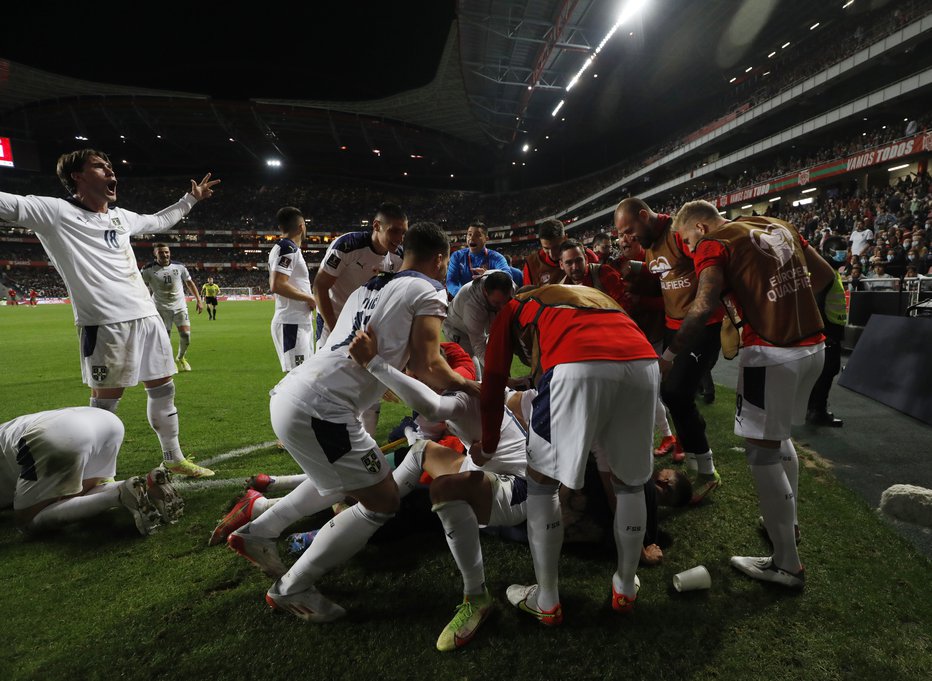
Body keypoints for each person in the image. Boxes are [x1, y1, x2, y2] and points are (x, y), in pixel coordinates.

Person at [227, 222, 475, 622]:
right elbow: (430, 366)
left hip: (296, 393)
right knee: (382, 500)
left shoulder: (367, 287)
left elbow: (396, 357)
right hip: (324, 410)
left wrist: (390, 375)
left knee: (341, 479)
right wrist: (476, 389)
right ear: (441, 258)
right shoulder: (429, 290)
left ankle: (259, 531)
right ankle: (293, 587)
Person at [0, 149, 219, 477]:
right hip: (105, 324)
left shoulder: (120, 217)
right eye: (100, 166)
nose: (110, 171)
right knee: (105, 403)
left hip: (147, 316)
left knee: (163, 388)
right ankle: (95, 475)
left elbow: (158, 221)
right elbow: (9, 204)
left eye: (110, 166)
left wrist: (190, 199)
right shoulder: (55, 211)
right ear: (78, 176)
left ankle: (173, 457)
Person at [667, 200, 835, 588]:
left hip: (772, 352)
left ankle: (786, 565)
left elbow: (704, 303)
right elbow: (824, 275)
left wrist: (671, 354)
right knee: (780, 438)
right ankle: (786, 526)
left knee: (762, 451)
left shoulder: (715, 243)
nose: (690, 250)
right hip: (814, 346)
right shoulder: (775, 222)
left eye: (689, 241)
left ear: (701, 228)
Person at [479, 284, 659, 622]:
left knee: (541, 484)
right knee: (630, 483)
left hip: (576, 365)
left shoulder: (515, 307)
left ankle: (547, 600)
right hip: (644, 362)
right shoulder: (592, 294)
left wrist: (488, 443)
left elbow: (492, 380)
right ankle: (625, 587)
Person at [348, 330, 527, 651]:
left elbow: (433, 409)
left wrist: (374, 364)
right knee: (419, 453)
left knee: (446, 490)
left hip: (521, 488)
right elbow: (423, 432)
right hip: (487, 472)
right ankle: (361, 515)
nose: (409, 374)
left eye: (413, 368)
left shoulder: (461, 393)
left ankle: (476, 596)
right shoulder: (453, 391)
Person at [614, 197, 722, 502]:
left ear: (644, 216)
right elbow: (662, 276)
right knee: (675, 395)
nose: (628, 237)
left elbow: (704, 271)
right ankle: (695, 461)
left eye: (629, 229)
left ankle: (707, 470)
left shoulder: (679, 233)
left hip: (701, 326)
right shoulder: (649, 244)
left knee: (676, 393)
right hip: (674, 326)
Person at [0, 407, 183, 535]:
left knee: (26, 521)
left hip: (56, 436)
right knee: (83, 491)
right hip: (105, 421)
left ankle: (118, 496)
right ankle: (148, 485)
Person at [312, 203, 407, 435]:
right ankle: (320, 432)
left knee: (368, 381)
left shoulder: (398, 256)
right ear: (376, 226)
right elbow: (320, 287)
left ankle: (368, 440)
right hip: (332, 322)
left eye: (404, 232)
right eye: (394, 231)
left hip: (365, 325)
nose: (400, 238)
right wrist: (336, 331)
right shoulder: (348, 245)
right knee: (327, 379)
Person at [140, 243, 203, 372]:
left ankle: (181, 358)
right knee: (165, 338)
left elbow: (189, 283)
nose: (165, 254)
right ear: (155, 254)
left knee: (186, 335)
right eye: (161, 252)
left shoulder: (179, 266)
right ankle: (168, 362)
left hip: (180, 306)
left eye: (166, 252)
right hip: (161, 308)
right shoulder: (147, 269)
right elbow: (142, 287)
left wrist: (199, 300)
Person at [442, 270, 516, 377]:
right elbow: (479, 346)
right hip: (458, 330)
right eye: (497, 303)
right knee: (473, 372)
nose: (503, 307)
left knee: (492, 363)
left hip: (479, 325)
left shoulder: (510, 286)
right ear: (486, 292)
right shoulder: (472, 306)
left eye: (507, 301)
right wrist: (500, 375)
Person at [268, 207, 316, 372]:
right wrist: (309, 298)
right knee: (296, 379)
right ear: (302, 226)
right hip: (291, 322)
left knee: (304, 378)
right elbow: (277, 284)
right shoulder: (287, 249)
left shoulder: (288, 249)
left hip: (299, 321)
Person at [522, 218, 598, 286]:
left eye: (556, 247)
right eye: (546, 248)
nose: (552, 254)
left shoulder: (588, 255)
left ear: (565, 238)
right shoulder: (531, 264)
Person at [446, 222, 511, 297]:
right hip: (465, 300)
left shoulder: (497, 258)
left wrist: (489, 276)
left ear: (486, 239)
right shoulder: (457, 256)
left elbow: (507, 277)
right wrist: (462, 295)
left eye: (477, 235)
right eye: (469, 234)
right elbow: (450, 281)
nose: (472, 238)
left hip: (489, 301)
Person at [560, 239, 627, 305]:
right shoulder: (561, 289)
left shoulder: (604, 273)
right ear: (561, 265)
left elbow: (624, 304)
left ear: (586, 259)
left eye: (579, 260)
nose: (575, 267)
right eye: (569, 263)